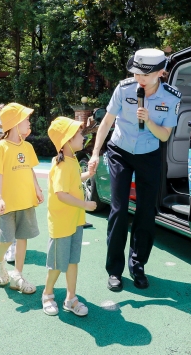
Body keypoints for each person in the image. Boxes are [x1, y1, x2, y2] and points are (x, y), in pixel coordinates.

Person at [87, 48, 182, 291]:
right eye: (136, 72)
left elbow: (164, 136)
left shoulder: (171, 97)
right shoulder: (124, 89)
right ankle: (115, 270)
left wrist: (148, 119)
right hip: (120, 151)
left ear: (161, 73)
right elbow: (107, 121)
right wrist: (96, 152)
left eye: (145, 74)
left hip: (149, 154)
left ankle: (138, 265)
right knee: (118, 210)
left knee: (146, 212)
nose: (139, 77)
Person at [42, 117, 99, 317]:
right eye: (79, 135)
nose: (83, 137)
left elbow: (72, 181)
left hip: (74, 221)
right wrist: (84, 204)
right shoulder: (61, 165)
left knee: (73, 261)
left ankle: (71, 298)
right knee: (58, 264)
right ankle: (47, 294)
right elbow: (61, 194)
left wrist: (87, 174)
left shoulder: (71, 159)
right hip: (62, 223)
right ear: (67, 140)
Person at [0, 102, 43, 293]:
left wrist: (37, 188)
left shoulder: (27, 146)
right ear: (15, 123)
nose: (29, 123)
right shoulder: (0, 147)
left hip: (26, 200)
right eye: (26, 119)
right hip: (7, 202)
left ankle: (18, 274)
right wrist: (0, 197)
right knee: (6, 239)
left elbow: (30, 170)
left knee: (23, 237)